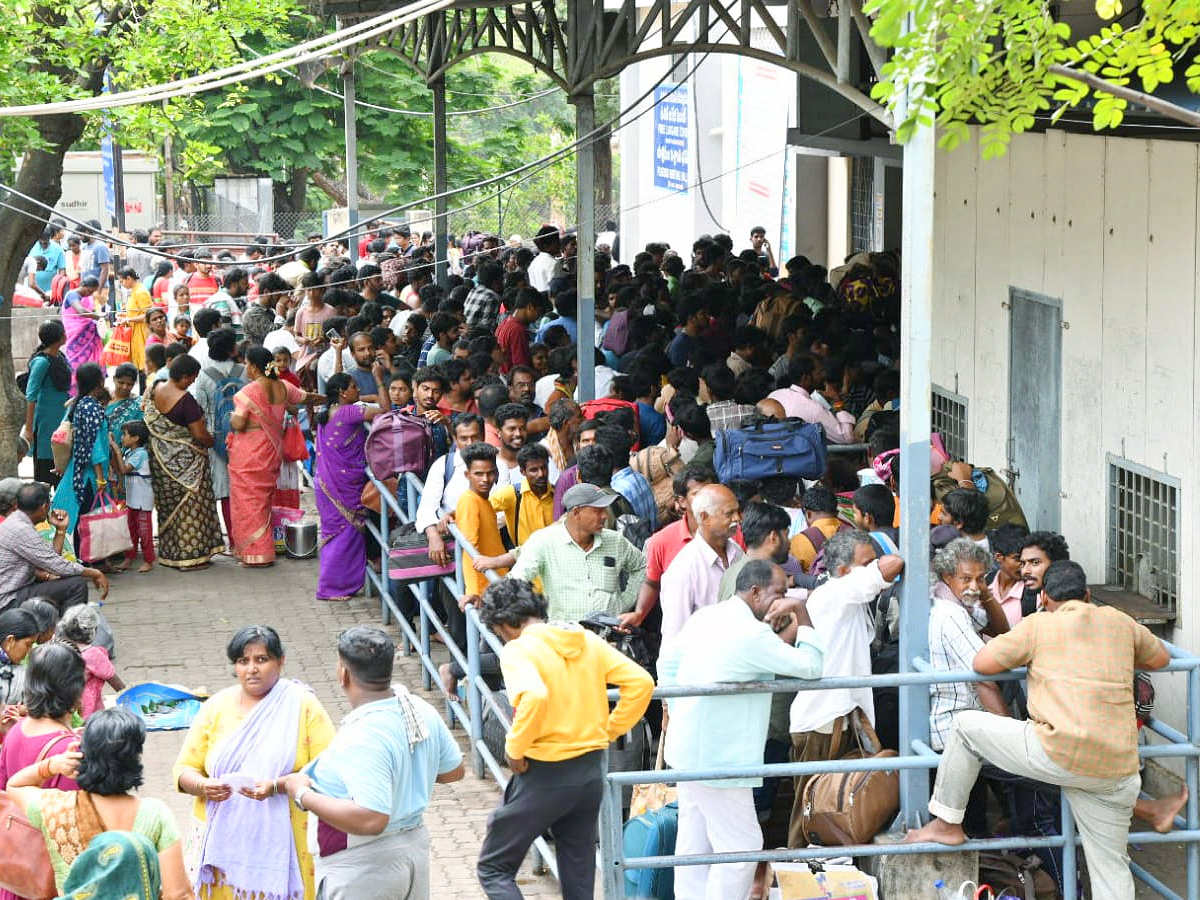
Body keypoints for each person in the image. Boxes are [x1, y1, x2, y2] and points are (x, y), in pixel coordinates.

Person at [906, 561, 1171, 900]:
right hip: (1116, 767)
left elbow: (982, 664)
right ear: (1088, 595)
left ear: (1044, 597)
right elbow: (1161, 659)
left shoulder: (1037, 625)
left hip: (1056, 753)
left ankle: (946, 822)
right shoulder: (1119, 621)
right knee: (1110, 867)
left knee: (964, 726)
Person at [475, 578, 654, 900]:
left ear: (504, 623)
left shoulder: (518, 649)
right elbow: (641, 683)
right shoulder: (584, 639)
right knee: (578, 872)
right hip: (589, 772)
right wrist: (608, 730)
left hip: (544, 772)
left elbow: (534, 697)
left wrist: (514, 750)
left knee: (494, 868)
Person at [660, 560, 824, 900]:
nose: (783, 599)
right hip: (721, 760)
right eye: (779, 593)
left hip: (687, 750)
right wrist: (802, 611)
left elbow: (667, 664)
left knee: (695, 843)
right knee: (742, 847)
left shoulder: (708, 616)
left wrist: (683, 713)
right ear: (755, 592)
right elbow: (811, 667)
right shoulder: (752, 634)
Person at [277, 626, 463, 900]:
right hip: (412, 851)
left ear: (343, 674)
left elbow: (372, 818)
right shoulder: (418, 708)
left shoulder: (361, 735)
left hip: (364, 865)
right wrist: (406, 772)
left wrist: (302, 794)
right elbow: (453, 771)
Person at [173, 625, 335, 900]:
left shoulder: (302, 706)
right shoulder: (215, 707)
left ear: (281, 661)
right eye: (243, 661)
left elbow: (330, 770)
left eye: (262, 659)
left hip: (287, 843)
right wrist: (203, 785)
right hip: (222, 848)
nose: (252, 669)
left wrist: (278, 786)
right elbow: (183, 770)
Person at [787, 530, 904, 848]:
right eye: (865, 563)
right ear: (842, 571)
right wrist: (876, 567)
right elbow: (892, 564)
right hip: (822, 723)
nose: (872, 567)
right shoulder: (837, 593)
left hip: (838, 718)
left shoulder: (844, 596)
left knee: (833, 810)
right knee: (811, 812)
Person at [2, 707, 192, 899]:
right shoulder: (156, 814)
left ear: (83, 755)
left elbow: (16, 785)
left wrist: (54, 765)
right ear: (134, 759)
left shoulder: (57, 808)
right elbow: (177, 894)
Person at [477, 483, 647, 621]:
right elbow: (518, 579)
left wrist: (625, 602)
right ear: (576, 512)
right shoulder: (544, 541)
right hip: (566, 638)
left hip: (610, 637)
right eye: (598, 510)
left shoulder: (615, 541)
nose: (605, 516)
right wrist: (484, 599)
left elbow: (642, 566)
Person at [227, 346, 319, 566]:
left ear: (255, 367)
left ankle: (254, 553)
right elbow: (308, 397)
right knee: (263, 502)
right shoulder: (284, 386)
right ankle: (264, 551)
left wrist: (231, 419)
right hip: (271, 454)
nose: (246, 368)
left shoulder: (247, 392)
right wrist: (329, 398)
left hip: (248, 455)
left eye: (248, 364)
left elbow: (238, 423)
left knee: (248, 504)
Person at [144, 355, 225, 570]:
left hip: (160, 464)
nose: (192, 382)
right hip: (188, 467)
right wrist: (212, 441)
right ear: (183, 376)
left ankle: (170, 554)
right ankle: (190, 558)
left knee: (168, 507)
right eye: (192, 378)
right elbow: (199, 434)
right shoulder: (185, 401)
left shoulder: (155, 388)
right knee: (191, 508)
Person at [314, 373, 386, 601]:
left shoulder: (328, 411)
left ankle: (334, 585)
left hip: (327, 482)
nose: (358, 391)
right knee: (343, 536)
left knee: (335, 534)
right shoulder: (348, 412)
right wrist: (379, 380)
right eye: (354, 387)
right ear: (343, 393)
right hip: (341, 485)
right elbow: (385, 407)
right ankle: (331, 588)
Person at [0, 483, 107, 613]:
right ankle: (67, 630)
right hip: (8, 600)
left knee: (65, 579)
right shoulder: (21, 529)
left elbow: (50, 560)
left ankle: (54, 627)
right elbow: (55, 565)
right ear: (44, 507)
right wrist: (94, 572)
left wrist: (60, 530)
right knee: (76, 585)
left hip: (16, 591)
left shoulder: (18, 523)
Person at [660, 484, 744, 643]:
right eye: (729, 513)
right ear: (705, 517)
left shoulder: (736, 552)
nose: (737, 519)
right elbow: (673, 638)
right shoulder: (683, 571)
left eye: (737, 512)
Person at [51, 363, 111, 548]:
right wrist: (101, 479)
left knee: (81, 517)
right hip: (91, 475)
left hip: (77, 469)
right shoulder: (93, 408)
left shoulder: (79, 404)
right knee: (90, 518)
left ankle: (84, 558)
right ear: (100, 382)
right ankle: (88, 559)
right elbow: (95, 447)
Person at [454, 442, 509, 600]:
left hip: (495, 583)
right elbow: (470, 550)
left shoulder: (483, 501)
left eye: (490, 473)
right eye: (478, 474)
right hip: (484, 589)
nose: (485, 479)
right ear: (467, 475)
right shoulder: (469, 501)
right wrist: (474, 592)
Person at [23, 319, 72, 485]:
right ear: (59, 337)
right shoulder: (42, 362)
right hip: (46, 422)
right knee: (47, 463)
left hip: (62, 417)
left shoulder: (60, 356)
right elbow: (31, 396)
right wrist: (29, 429)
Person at [56, 604, 124, 719]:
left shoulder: (57, 646)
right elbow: (117, 684)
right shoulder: (93, 654)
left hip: (61, 707)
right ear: (92, 630)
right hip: (85, 712)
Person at [114, 420, 155, 572]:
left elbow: (124, 469)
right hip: (132, 499)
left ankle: (148, 560)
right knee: (130, 530)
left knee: (144, 531)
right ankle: (129, 557)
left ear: (136, 438)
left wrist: (117, 451)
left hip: (142, 501)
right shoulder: (130, 453)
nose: (122, 438)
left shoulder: (140, 454)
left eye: (125, 435)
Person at [61, 276, 106, 375]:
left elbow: (89, 312)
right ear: (84, 286)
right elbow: (81, 311)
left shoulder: (86, 298)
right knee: (75, 360)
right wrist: (98, 317)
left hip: (87, 331)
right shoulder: (72, 295)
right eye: (90, 291)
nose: (90, 294)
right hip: (75, 333)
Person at [0, 608, 39, 713]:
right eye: (28, 644)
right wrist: (12, 710)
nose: (29, 651)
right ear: (10, 641)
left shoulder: (25, 673)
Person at [118, 266, 156, 372]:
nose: (122, 284)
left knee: (144, 363)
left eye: (122, 281)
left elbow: (148, 315)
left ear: (129, 278)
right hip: (135, 332)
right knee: (138, 363)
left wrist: (128, 320)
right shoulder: (134, 291)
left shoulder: (140, 292)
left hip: (142, 332)